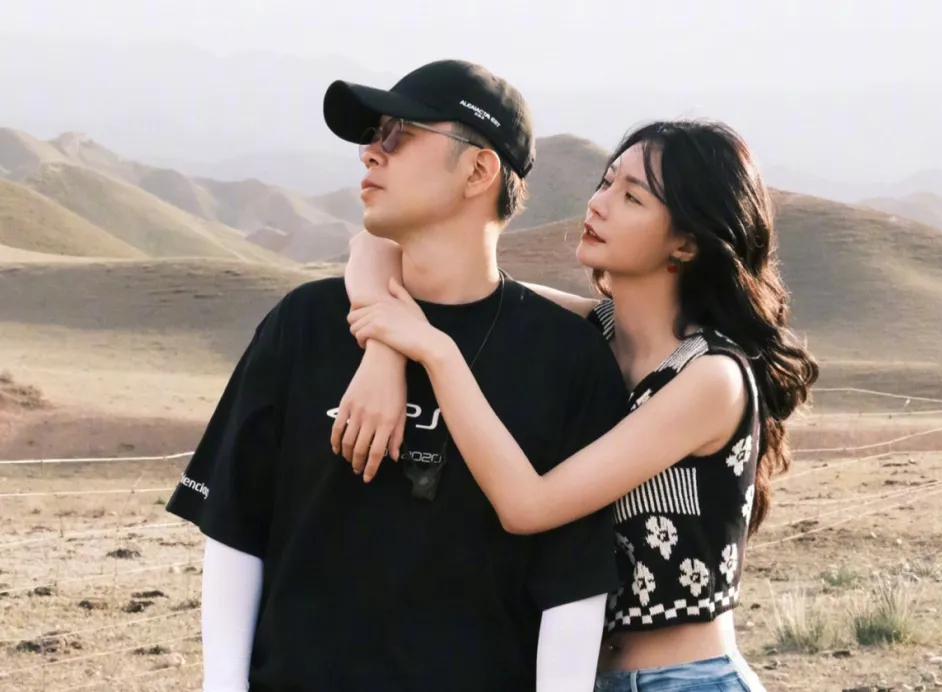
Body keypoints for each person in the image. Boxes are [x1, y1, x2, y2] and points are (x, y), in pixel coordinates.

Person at [165, 59, 631, 692]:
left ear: (478, 170)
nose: (369, 152)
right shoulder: (304, 323)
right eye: (371, 135)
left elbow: (571, 585)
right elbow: (236, 527)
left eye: (397, 134)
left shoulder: (567, 358)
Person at [335, 118, 820, 691]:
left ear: (686, 243)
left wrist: (437, 353)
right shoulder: (593, 332)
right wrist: (383, 356)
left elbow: (527, 505)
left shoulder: (711, 377)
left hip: (689, 680)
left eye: (632, 197)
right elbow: (379, 250)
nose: (599, 204)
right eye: (607, 182)